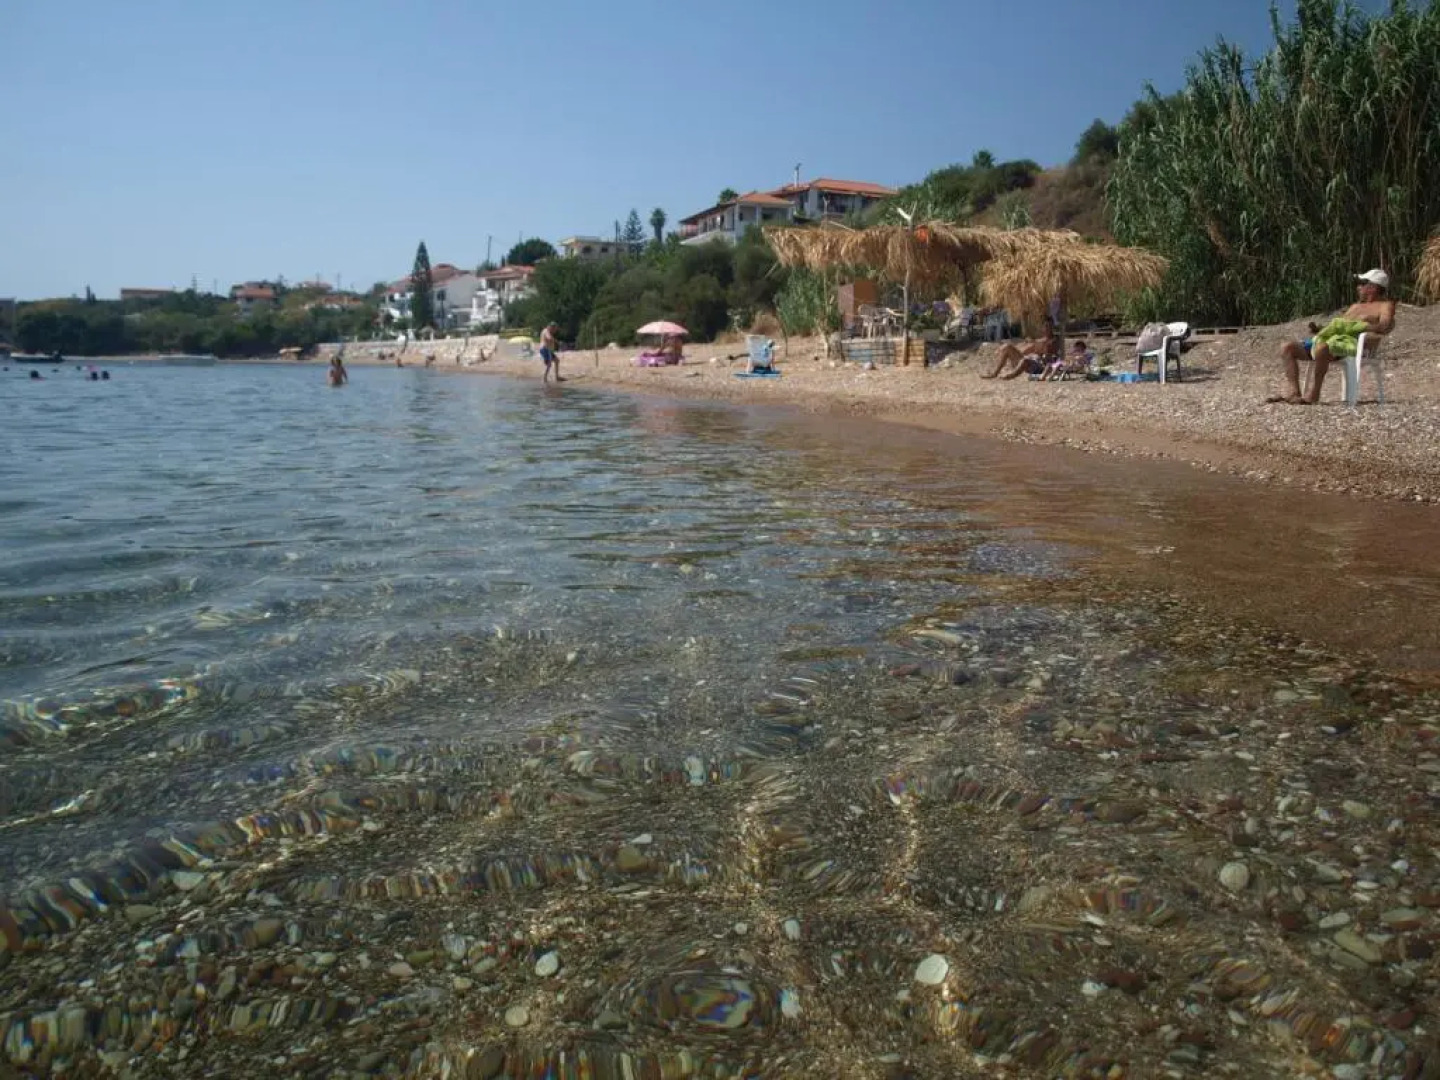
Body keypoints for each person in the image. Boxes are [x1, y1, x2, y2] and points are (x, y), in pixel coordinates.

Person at [1269, 269, 1396, 404]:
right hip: (1333, 341)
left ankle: (1314, 394)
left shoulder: (1385, 306)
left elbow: (1384, 326)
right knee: (1287, 347)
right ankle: (1294, 392)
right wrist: (1321, 329)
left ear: (1373, 287)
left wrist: (1361, 326)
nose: (1358, 287)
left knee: (1322, 348)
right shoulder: (1355, 307)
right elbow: (1339, 326)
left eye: (1362, 283)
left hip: (1354, 346)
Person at [980, 320, 1059, 379]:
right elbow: (1027, 350)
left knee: (1024, 360)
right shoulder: (1039, 340)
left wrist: (1040, 348)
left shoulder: (1053, 340)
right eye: (1045, 326)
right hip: (1029, 360)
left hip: (1039, 364)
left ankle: (1010, 375)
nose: (1046, 328)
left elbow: (1050, 356)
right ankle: (994, 373)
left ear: (1052, 328)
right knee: (1007, 347)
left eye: (1048, 326)